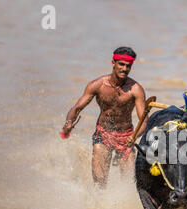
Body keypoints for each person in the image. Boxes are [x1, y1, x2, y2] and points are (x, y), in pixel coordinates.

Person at [61, 46, 147, 189]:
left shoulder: (135, 89)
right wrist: (68, 123)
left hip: (126, 138)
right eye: (121, 64)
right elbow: (76, 108)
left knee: (130, 184)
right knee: (99, 183)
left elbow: (144, 120)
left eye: (128, 66)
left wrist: (135, 136)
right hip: (103, 134)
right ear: (113, 63)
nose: (124, 69)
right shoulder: (98, 85)